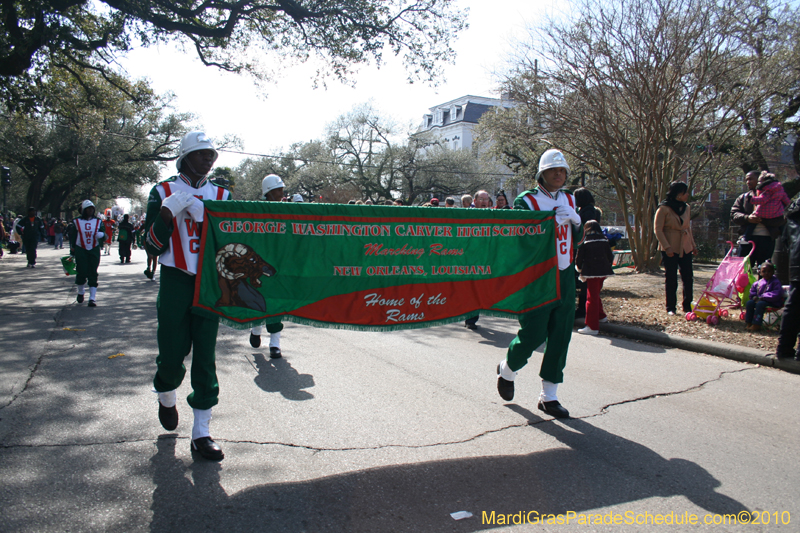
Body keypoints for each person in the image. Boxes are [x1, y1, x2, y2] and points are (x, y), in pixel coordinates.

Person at [144, 131, 231, 461]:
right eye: (201, 154)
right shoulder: (163, 191)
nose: (208, 160)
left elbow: (234, 238)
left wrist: (209, 216)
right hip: (175, 280)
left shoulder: (222, 193)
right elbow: (150, 246)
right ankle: (166, 394)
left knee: (205, 355)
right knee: (170, 353)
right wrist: (166, 215)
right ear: (184, 158)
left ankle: (202, 433)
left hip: (209, 282)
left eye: (211, 154)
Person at [496, 148, 583, 419]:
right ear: (541, 174)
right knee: (534, 334)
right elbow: (518, 241)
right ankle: (508, 368)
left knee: (561, 334)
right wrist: (547, 224)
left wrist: (577, 223)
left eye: (563, 170)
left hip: (566, 273)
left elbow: (574, 239)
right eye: (554, 170)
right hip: (537, 277)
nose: (559, 174)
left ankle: (549, 396)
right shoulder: (527, 201)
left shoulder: (570, 197)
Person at [248, 174, 286, 358]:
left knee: (277, 304)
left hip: (279, 264)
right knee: (259, 300)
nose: (282, 192)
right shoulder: (257, 211)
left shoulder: (287, 210)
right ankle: (256, 329)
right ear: (269, 192)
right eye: (279, 189)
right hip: (261, 265)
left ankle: (275, 343)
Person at [654, 181, 697, 316]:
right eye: (685, 193)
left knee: (688, 276)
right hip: (670, 246)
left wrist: (693, 245)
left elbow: (687, 228)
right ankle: (671, 307)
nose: (687, 195)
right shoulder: (663, 208)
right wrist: (667, 247)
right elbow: (658, 230)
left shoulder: (687, 208)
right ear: (678, 194)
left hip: (685, 246)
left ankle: (688, 305)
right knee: (671, 277)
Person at [575, 220, 613, 335]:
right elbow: (610, 256)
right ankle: (601, 316)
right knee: (596, 294)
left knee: (591, 298)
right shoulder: (605, 240)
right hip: (604, 271)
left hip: (591, 272)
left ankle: (592, 326)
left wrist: (580, 269)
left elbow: (579, 259)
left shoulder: (585, 241)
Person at [731, 171, 773, 267]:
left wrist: (765, 218)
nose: (748, 182)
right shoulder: (743, 198)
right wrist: (747, 218)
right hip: (747, 238)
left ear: (759, 180)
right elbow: (734, 214)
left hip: (767, 239)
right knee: (743, 271)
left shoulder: (773, 197)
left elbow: (781, 217)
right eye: (746, 180)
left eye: (751, 179)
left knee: (764, 271)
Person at [775, 198, 800, 360]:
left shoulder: (793, 212)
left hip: (796, 262)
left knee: (793, 306)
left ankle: (784, 348)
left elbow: (785, 240)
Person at [465, 189, 492, 330]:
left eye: (485, 199)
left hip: (486, 258)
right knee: (471, 289)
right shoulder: (467, 215)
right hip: (470, 258)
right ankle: (470, 319)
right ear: (474, 201)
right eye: (480, 199)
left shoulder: (492, 215)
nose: (483, 202)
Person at [573, 188, 603, 318]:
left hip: (586, 250)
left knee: (584, 281)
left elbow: (584, 231)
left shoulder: (588, 212)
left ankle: (582, 309)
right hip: (587, 249)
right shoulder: (589, 210)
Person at [68, 200, 105, 307]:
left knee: (93, 272)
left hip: (93, 249)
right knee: (81, 271)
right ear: (83, 210)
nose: (90, 211)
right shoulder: (76, 221)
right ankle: (81, 292)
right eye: (88, 209)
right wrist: (72, 252)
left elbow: (104, 232)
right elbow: (73, 237)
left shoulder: (98, 221)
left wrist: (101, 234)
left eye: (92, 209)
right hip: (81, 249)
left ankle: (92, 298)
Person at [743, 171, 789, 245]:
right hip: (777, 212)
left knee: (753, 221)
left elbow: (762, 200)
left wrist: (751, 199)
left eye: (760, 181)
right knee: (782, 225)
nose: (759, 183)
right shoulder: (780, 189)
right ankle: (786, 241)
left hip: (764, 211)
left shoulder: (766, 190)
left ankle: (745, 238)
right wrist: (790, 206)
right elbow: (786, 200)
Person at [745, 261, 784, 332]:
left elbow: (776, 293)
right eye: (764, 271)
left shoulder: (775, 282)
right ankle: (749, 322)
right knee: (749, 303)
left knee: (760, 304)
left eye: (769, 271)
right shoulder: (758, 283)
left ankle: (756, 324)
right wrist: (754, 297)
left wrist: (764, 297)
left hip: (772, 302)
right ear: (760, 272)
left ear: (773, 272)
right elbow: (752, 292)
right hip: (760, 301)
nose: (767, 273)